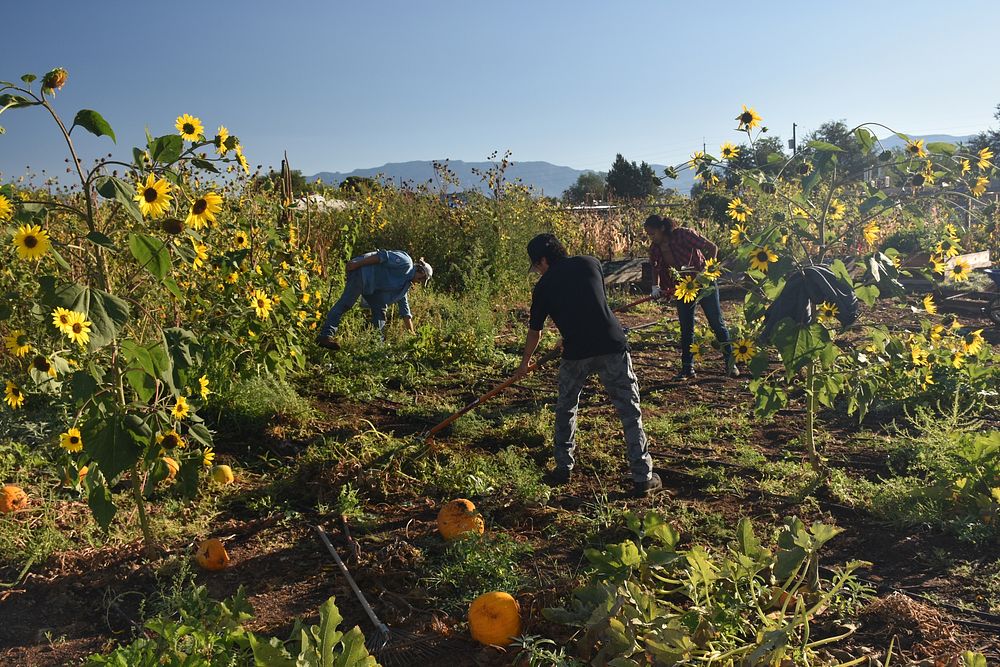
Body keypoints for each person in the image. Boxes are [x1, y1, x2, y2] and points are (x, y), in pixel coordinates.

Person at [515, 233, 662, 498]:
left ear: (544, 260)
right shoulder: (590, 262)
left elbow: (534, 331)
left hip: (576, 354)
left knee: (566, 408)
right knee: (630, 411)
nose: (537, 271)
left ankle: (563, 467)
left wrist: (525, 363)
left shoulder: (543, 287)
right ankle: (643, 477)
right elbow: (595, 302)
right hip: (611, 346)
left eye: (537, 266)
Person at [644, 214, 737, 380]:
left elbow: (713, 247)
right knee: (686, 327)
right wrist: (655, 287)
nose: (651, 238)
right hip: (684, 288)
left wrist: (707, 271)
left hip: (704, 283)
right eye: (649, 235)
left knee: (716, 323)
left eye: (653, 234)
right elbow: (655, 268)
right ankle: (688, 368)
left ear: (662, 229)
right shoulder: (655, 248)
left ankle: (731, 363)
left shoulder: (684, 234)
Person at [316, 250, 432, 350]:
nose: (419, 282)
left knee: (380, 311)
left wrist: (412, 334)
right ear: (420, 271)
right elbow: (381, 256)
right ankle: (325, 335)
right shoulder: (405, 262)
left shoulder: (404, 286)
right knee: (345, 304)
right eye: (421, 280)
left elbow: (405, 312)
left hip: (371, 288)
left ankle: (377, 346)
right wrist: (357, 264)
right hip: (363, 274)